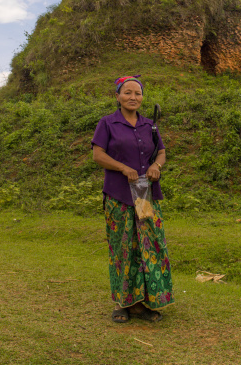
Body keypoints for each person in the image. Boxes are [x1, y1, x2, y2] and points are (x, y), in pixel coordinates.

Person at [92, 75, 174, 323]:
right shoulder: (107, 123)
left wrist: (157, 166)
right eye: (127, 93)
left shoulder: (150, 125)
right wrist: (122, 168)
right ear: (117, 96)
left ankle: (144, 303)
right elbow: (98, 155)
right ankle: (121, 303)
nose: (133, 97)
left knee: (149, 247)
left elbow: (160, 152)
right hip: (119, 196)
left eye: (137, 93)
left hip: (144, 196)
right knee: (123, 247)